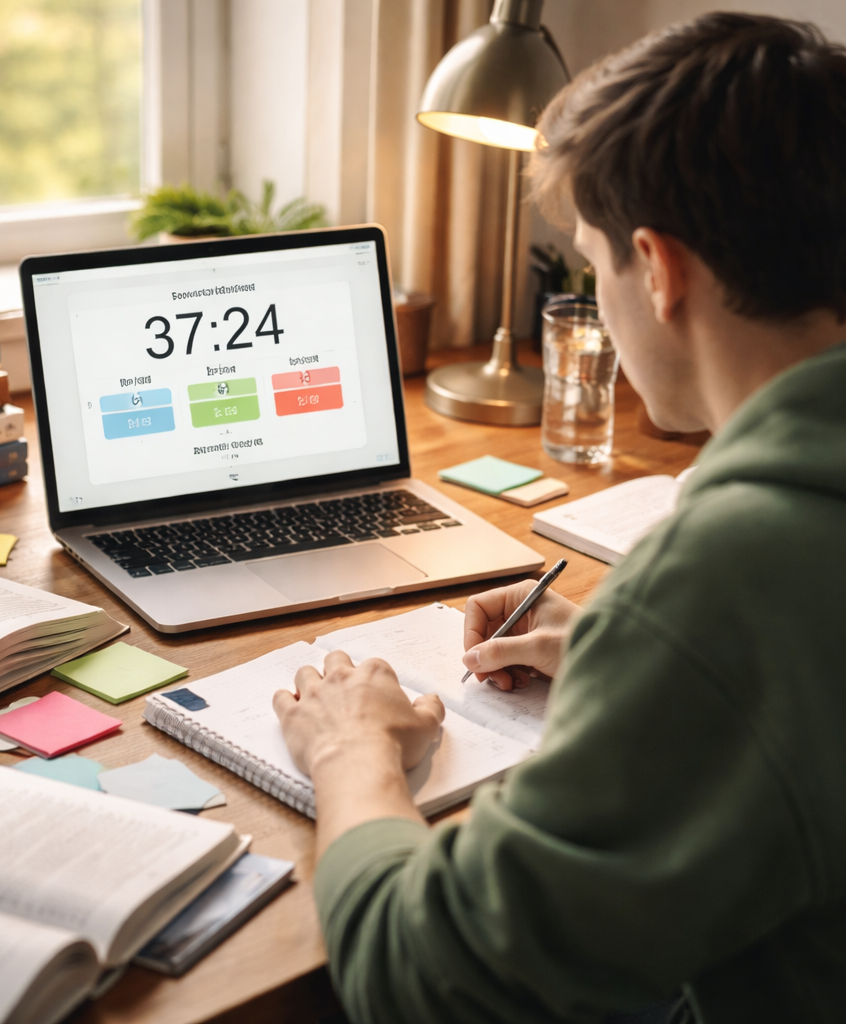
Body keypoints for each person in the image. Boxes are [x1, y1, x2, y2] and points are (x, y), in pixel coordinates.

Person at [273, 13, 846, 1024]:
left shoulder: (731, 571)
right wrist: (630, 663)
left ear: (658, 270)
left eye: (591, 264)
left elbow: (424, 980)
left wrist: (347, 753)